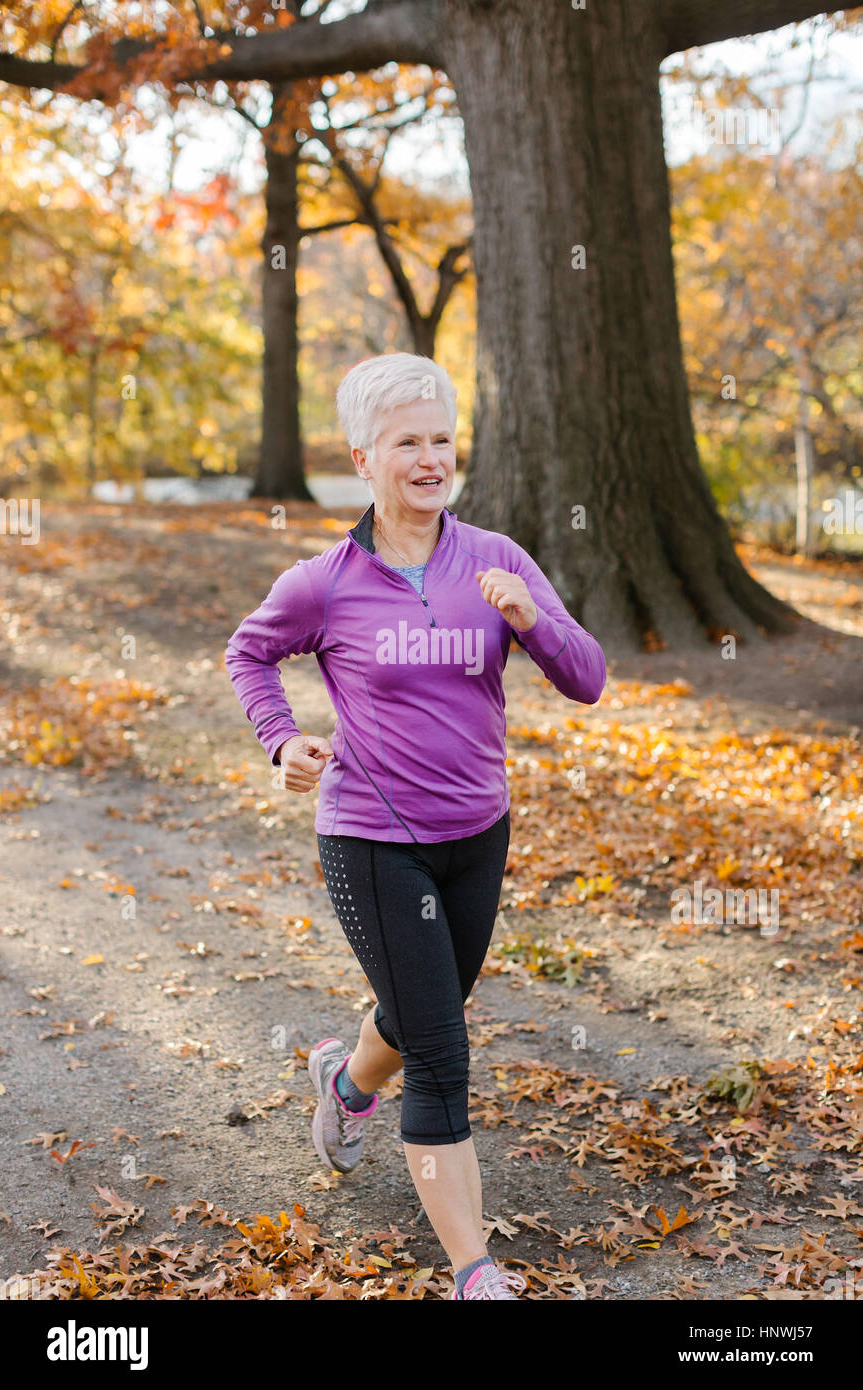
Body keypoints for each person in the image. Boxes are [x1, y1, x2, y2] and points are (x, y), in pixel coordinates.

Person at [224, 352, 606, 1300]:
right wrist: (282, 743)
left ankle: (345, 1084)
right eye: (409, 443)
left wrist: (536, 623)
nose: (432, 459)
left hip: (479, 832)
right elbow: (250, 651)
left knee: (422, 1010)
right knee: (439, 1046)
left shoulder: (498, 559)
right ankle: (476, 1272)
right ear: (364, 458)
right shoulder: (326, 581)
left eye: (443, 439)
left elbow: (589, 678)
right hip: (370, 836)